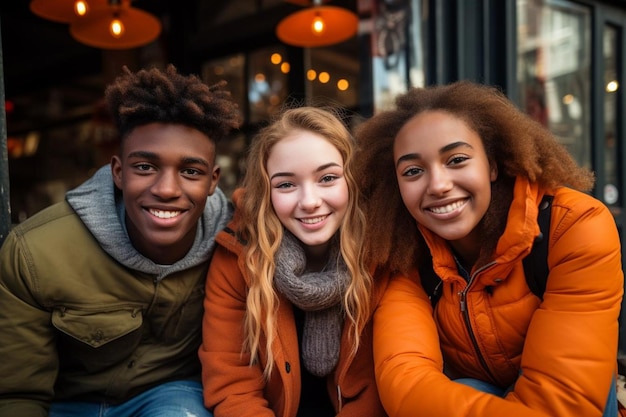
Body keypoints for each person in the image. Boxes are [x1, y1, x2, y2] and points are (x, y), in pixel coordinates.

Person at [353, 80, 624, 416]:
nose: (438, 185)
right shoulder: (405, 255)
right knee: (467, 388)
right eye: (413, 171)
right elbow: (406, 383)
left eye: (456, 159)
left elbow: (564, 404)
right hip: (481, 396)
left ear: (492, 165)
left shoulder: (573, 225)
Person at [0, 64, 241, 417]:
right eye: (145, 167)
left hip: (170, 396)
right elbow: (17, 395)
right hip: (65, 403)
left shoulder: (236, 243)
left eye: (191, 172)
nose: (167, 190)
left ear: (213, 180)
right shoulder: (35, 253)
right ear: (118, 172)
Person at [199, 106, 389, 417]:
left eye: (327, 178)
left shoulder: (380, 251)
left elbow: (379, 386)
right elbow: (232, 382)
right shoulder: (238, 255)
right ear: (266, 192)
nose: (310, 201)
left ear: (351, 181)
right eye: (286, 184)